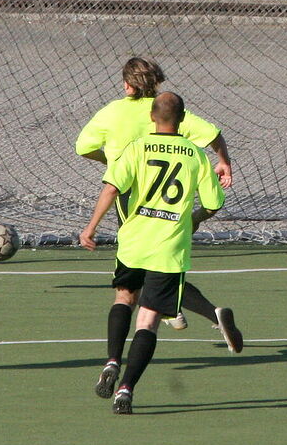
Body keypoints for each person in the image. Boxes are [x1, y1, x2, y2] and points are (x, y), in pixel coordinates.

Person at [74, 57, 243, 356]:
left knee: (139, 268)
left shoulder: (113, 112)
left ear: (127, 85)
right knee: (162, 259)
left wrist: (113, 163)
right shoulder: (167, 109)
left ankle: (195, 313)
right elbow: (213, 134)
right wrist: (224, 162)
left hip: (131, 196)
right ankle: (187, 312)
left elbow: (83, 147)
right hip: (170, 202)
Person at [78, 92, 224, 414]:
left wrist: (90, 228)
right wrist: (195, 219)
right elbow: (213, 203)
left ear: (151, 117)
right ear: (182, 119)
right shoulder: (195, 155)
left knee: (123, 298)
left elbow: (111, 188)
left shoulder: (136, 148)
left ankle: (112, 361)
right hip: (169, 248)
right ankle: (126, 390)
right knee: (149, 320)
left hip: (133, 242)